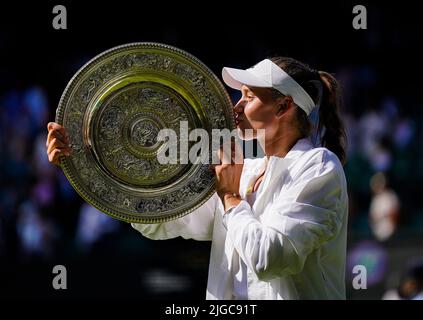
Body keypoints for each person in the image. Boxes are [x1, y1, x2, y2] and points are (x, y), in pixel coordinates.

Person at [46, 57, 349, 300]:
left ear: (283, 106)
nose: (236, 106)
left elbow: (271, 260)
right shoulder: (248, 168)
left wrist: (231, 198)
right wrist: (86, 165)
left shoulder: (318, 167)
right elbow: (166, 221)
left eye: (249, 97)